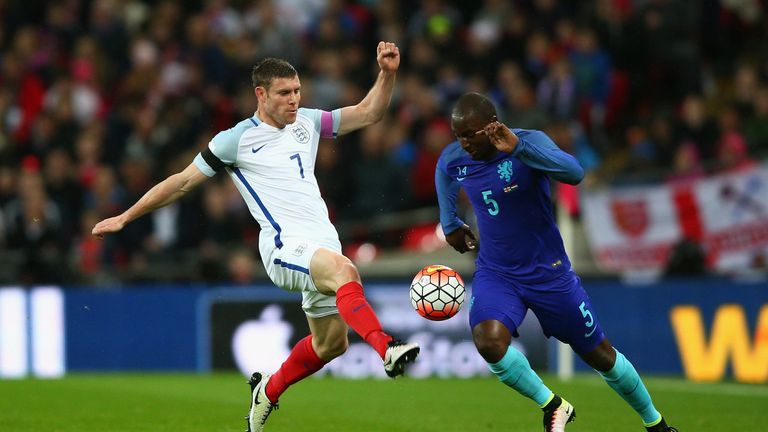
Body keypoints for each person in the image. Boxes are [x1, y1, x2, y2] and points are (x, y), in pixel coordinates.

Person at [91, 41, 419, 432]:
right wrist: (126, 216)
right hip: (283, 247)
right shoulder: (235, 140)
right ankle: (387, 347)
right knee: (345, 271)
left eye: (297, 91)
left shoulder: (308, 123)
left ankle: (268, 390)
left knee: (331, 344)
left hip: (321, 244)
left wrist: (387, 73)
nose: (294, 100)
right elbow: (180, 183)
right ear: (261, 94)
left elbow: (368, 113)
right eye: (284, 93)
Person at [434, 93, 676, 432]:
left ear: (491, 127)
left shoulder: (529, 142)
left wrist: (518, 148)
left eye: (469, 134)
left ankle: (656, 423)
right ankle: (553, 405)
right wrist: (449, 223)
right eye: (457, 134)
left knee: (601, 356)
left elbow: (574, 173)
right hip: (497, 272)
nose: (463, 143)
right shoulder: (456, 156)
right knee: (489, 342)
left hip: (549, 274)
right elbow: (443, 169)